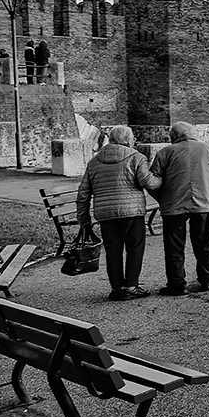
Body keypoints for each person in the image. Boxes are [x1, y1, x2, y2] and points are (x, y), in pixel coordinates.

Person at [76, 124, 160, 301]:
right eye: (133, 138)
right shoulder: (136, 158)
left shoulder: (94, 162)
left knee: (113, 251)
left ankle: (116, 288)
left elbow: (83, 193)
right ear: (128, 140)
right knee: (134, 248)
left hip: (106, 214)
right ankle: (130, 286)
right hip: (131, 212)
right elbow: (149, 182)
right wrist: (162, 179)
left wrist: (83, 217)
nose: (134, 141)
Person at [147, 121, 209, 296]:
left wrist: (162, 199)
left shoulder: (164, 153)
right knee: (203, 243)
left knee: (174, 246)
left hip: (173, 206)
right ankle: (207, 279)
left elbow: (151, 183)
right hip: (203, 204)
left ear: (174, 136)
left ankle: (177, 284)